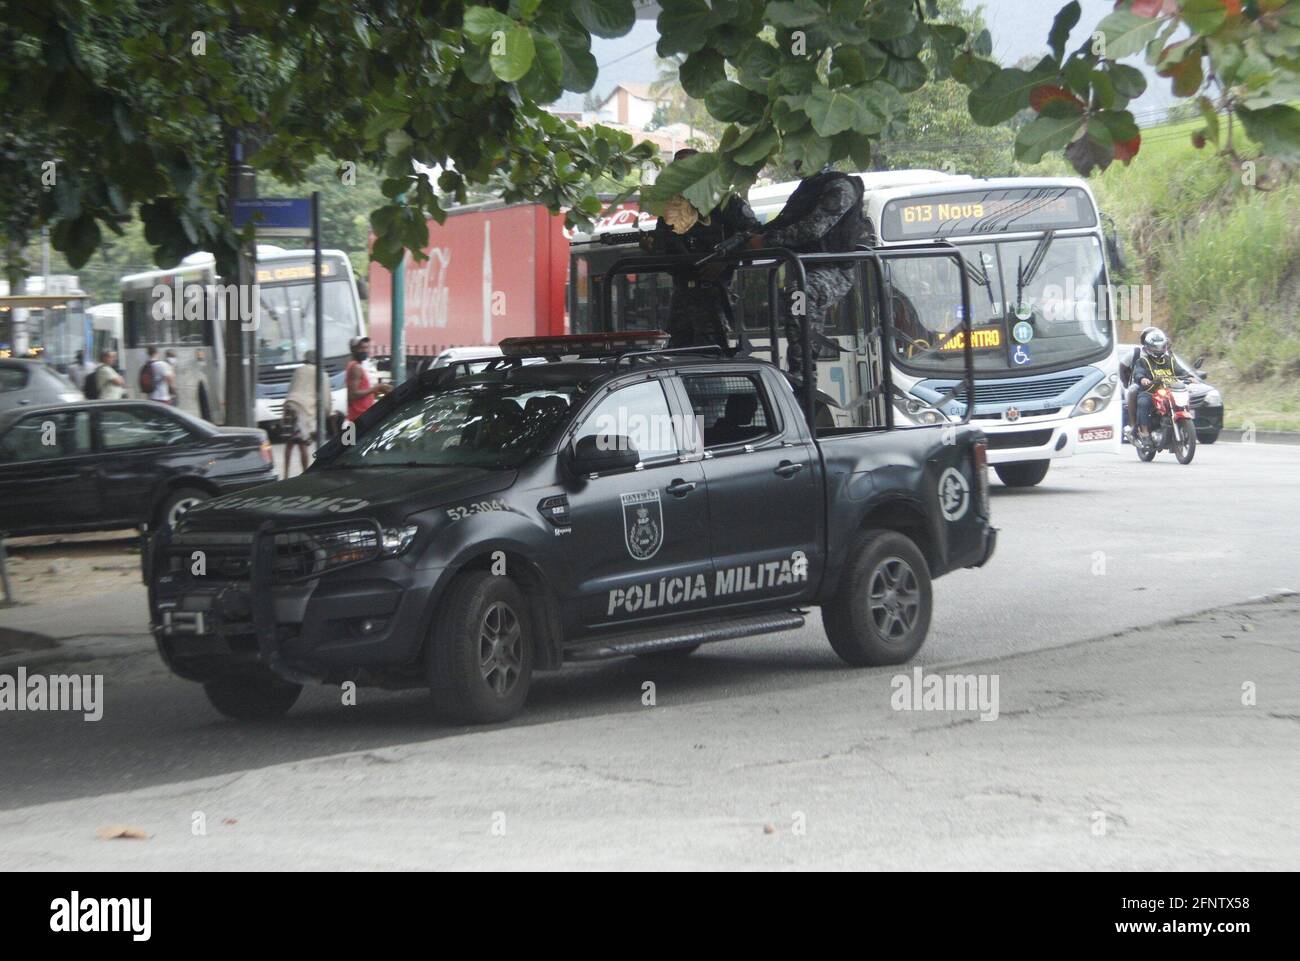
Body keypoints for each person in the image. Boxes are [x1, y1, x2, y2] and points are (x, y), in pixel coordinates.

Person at [745, 165, 865, 394]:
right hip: (805, 269)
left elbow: (812, 229)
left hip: (834, 270)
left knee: (800, 294)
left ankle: (804, 374)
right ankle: (800, 373)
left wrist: (766, 240)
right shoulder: (809, 187)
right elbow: (785, 221)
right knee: (797, 296)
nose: (795, 163)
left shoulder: (840, 187)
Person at [646, 148, 759, 351]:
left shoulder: (725, 200)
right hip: (683, 292)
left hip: (716, 291)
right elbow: (664, 248)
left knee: (713, 354)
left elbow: (752, 233)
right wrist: (651, 248)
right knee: (676, 354)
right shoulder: (672, 208)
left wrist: (724, 261)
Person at [283, 350, 327, 478]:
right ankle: (305, 474)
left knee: (289, 443)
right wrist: (326, 413)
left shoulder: (298, 370)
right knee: (303, 444)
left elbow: (291, 389)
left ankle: (285, 474)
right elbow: (325, 399)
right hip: (304, 410)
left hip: (290, 406)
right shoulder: (321, 374)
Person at [1133, 327, 1178, 439]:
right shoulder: (1143, 360)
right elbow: (1138, 373)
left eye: (1160, 346)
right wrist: (1142, 379)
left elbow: (1180, 370)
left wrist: (1191, 376)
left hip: (1169, 391)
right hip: (1150, 391)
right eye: (1155, 347)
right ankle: (1145, 432)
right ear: (1148, 347)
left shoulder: (1169, 360)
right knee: (1143, 403)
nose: (1158, 349)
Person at [346, 337, 390, 422]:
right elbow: (353, 394)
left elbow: (361, 390)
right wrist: (376, 388)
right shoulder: (356, 367)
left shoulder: (357, 366)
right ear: (353, 350)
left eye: (366, 348)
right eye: (361, 348)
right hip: (359, 415)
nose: (364, 351)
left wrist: (375, 391)